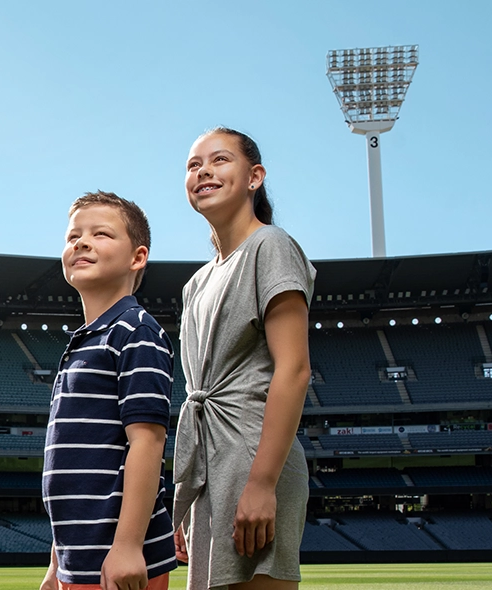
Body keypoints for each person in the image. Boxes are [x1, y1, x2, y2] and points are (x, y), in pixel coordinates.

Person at [171, 128, 314, 590]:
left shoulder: (270, 246)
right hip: (209, 467)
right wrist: (185, 502)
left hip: (254, 456)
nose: (203, 172)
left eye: (219, 160)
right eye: (194, 165)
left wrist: (262, 482)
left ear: (255, 177)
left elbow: (293, 369)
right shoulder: (195, 284)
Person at [41, 192, 178, 590]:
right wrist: (56, 562)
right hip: (78, 558)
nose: (81, 242)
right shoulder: (82, 343)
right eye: (73, 237)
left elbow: (147, 443)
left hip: (116, 558)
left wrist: (129, 546)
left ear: (137, 257)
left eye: (100, 234)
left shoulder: (136, 331)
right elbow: (71, 470)